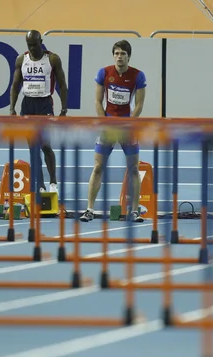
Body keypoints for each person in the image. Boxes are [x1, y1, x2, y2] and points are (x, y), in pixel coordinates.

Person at [80, 40, 146, 223]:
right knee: (98, 167)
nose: (119, 57)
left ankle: (134, 211)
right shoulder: (104, 73)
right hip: (108, 126)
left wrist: (129, 124)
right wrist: (104, 122)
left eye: (123, 54)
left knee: (134, 169)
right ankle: (89, 209)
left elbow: (139, 105)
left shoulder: (138, 76)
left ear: (128, 56)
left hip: (127, 127)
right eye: (116, 53)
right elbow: (97, 101)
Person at [9, 30, 68, 193]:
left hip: (44, 105)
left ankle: (53, 183)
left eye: (35, 44)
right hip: (27, 104)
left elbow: (62, 85)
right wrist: (12, 108)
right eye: (30, 45)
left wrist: (64, 109)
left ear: (41, 41)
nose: (33, 48)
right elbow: (15, 86)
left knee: (45, 145)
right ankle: (40, 186)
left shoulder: (52, 59)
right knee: (33, 147)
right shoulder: (21, 60)